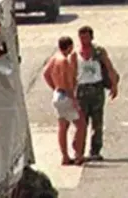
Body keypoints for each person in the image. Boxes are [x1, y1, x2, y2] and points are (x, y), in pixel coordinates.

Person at [75, 26, 120, 162]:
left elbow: (109, 67)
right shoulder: (76, 53)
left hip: (96, 89)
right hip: (82, 90)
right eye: (81, 37)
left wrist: (114, 85)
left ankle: (95, 151)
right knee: (81, 122)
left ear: (91, 37)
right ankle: (79, 151)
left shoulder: (99, 52)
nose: (84, 40)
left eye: (86, 37)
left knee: (97, 121)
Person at [42, 36, 86, 166]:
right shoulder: (64, 62)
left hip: (57, 95)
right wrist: (74, 100)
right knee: (81, 125)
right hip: (66, 95)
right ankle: (78, 155)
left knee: (63, 126)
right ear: (69, 46)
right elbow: (68, 83)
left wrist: (54, 87)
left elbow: (45, 73)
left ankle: (65, 156)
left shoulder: (54, 58)